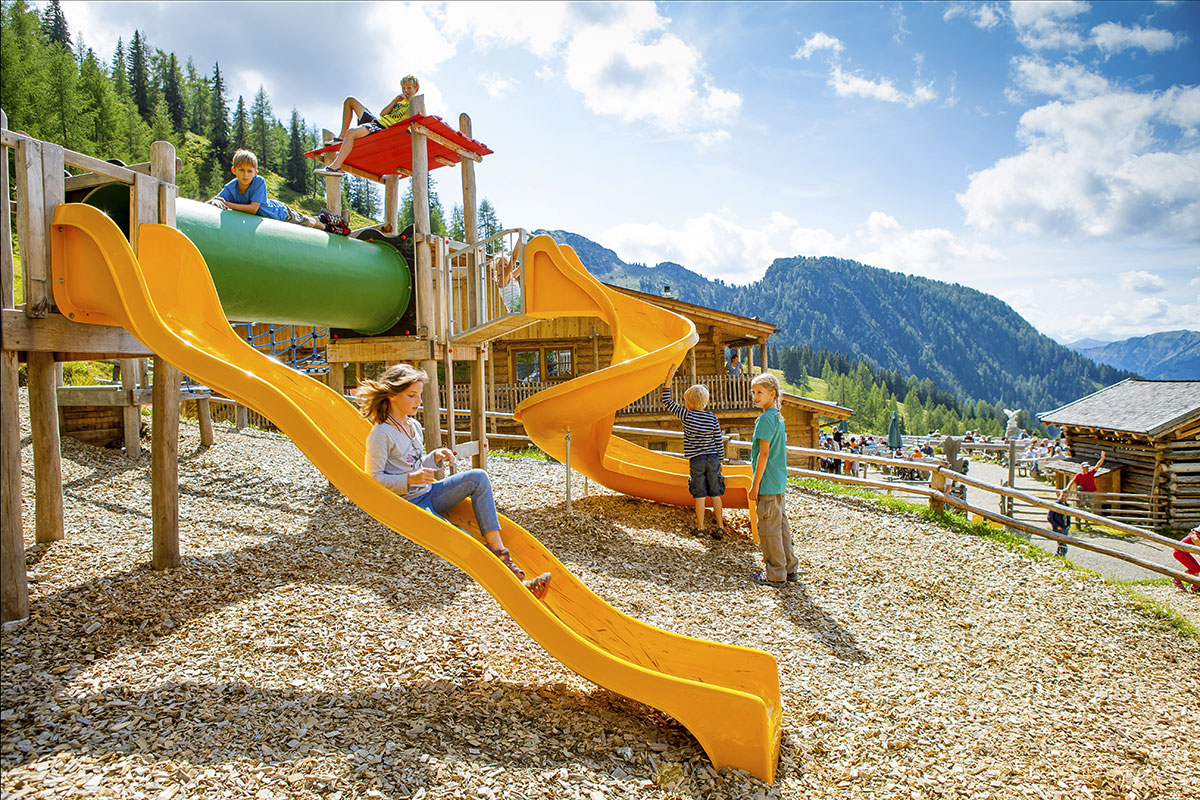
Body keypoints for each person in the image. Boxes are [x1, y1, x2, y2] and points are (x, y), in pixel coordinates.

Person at [359, 363, 550, 595]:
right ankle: (517, 588)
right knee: (463, 539)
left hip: (428, 493)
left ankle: (500, 550)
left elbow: (416, 464)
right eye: (411, 395)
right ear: (391, 395)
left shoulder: (414, 426)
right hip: (408, 504)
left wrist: (434, 457)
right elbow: (371, 480)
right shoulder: (380, 433)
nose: (418, 401)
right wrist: (410, 480)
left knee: (478, 477)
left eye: (419, 394)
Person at [209, 149, 349, 235]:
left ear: (255, 172)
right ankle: (323, 217)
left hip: (280, 213)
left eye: (249, 171)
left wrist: (227, 204)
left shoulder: (258, 182)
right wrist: (215, 201)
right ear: (234, 170)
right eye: (241, 170)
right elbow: (215, 201)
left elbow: (253, 209)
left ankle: (327, 225)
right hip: (272, 217)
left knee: (308, 222)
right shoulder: (231, 187)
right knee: (305, 219)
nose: (245, 175)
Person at [662, 364, 726, 539]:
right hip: (713, 458)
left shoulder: (686, 415)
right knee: (716, 493)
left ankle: (701, 528)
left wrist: (669, 378)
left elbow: (667, 401)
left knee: (699, 495)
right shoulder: (712, 418)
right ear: (704, 402)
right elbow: (718, 440)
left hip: (696, 460)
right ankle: (720, 527)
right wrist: (721, 460)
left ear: (689, 402)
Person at [747, 372, 798, 588]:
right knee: (781, 526)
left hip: (767, 481)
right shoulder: (778, 416)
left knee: (768, 529)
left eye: (760, 392)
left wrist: (755, 484)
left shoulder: (765, 419)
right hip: (778, 480)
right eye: (753, 392)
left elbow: (763, 454)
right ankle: (789, 569)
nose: (755, 397)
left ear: (772, 393)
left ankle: (775, 574)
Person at [316, 75, 420, 176]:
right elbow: (383, 114)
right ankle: (342, 136)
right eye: (403, 88)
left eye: (409, 88)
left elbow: (419, 119)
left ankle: (336, 167)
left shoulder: (416, 104)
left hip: (382, 129)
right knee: (350, 101)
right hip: (376, 123)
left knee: (351, 133)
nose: (405, 90)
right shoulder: (399, 102)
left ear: (416, 89)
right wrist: (395, 100)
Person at [1065, 451, 1106, 517]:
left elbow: (1097, 465)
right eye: (1085, 467)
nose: (1086, 468)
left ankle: (1087, 522)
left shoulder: (1091, 473)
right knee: (1082, 507)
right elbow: (1072, 481)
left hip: (1091, 493)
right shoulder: (1079, 475)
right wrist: (1067, 488)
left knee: (1090, 507)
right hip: (1083, 493)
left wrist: (1102, 458)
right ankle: (1082, 522)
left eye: (1087, 467)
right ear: (1082, 468)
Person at [1171, 526, 1200, 593]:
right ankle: (1177, 578)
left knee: (1197, 568)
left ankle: (1195, 585)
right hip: (1179, 553)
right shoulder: (1195, 537)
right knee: (1195, 569)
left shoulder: (1195, 536)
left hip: (1184, 553)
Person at [1047, 487, 1072, 557]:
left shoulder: (1067, 505)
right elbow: (1049, 517)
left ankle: (1058, 555)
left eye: (1066, 496)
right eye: (1062, 496)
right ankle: (1062, 555)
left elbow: (1069, 516)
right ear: (1059, 496)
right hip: (1058, 527)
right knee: (1063, 544)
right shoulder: (1055, 505)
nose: (1064, 497)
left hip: (1065, 527)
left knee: (1061, 542)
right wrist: (1056, 526)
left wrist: (1069, 524)